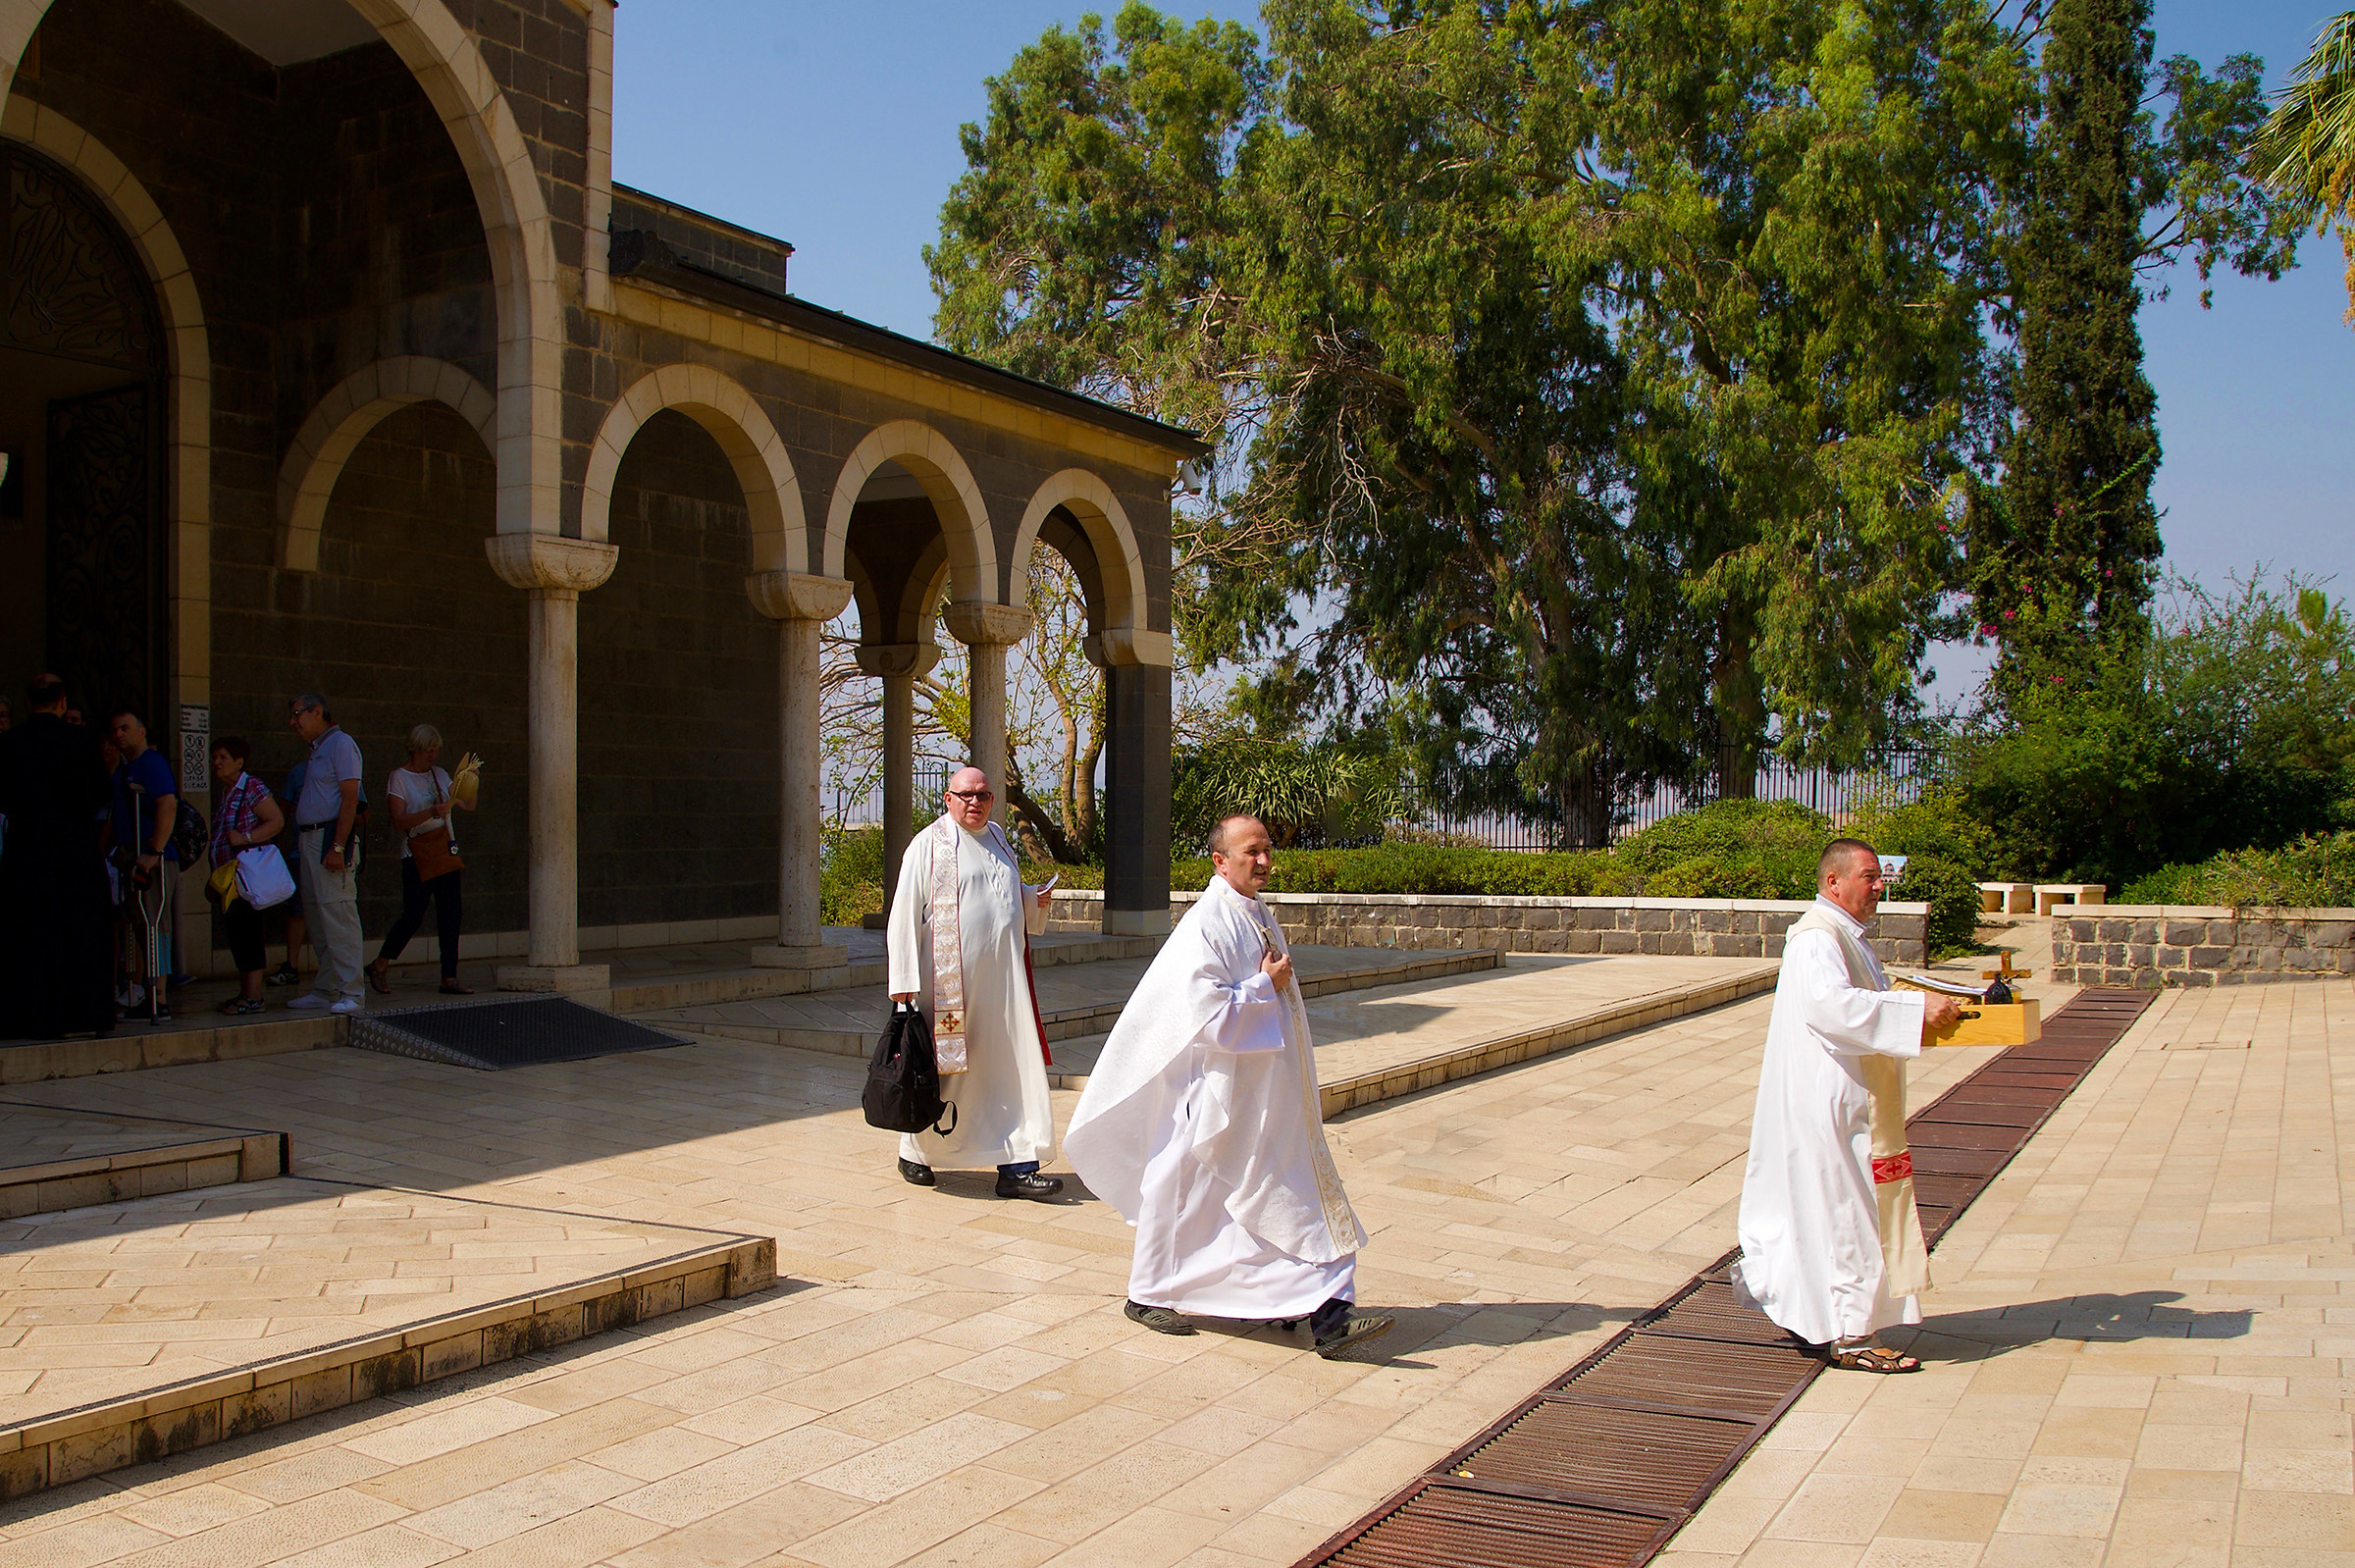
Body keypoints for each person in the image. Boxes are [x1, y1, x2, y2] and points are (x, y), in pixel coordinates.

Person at [1066, 813, 1394, 1360]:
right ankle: (1154, 1293)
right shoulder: (1205, 923)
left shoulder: (1256, 911)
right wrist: (1265, 985)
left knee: (1257, 1197)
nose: (1264, 860)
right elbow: (1205, 1012)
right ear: (1220, 860)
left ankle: (1313, 1306)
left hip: (1266, 1092)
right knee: (1199, 1189)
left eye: (1267, 850)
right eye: (1251, 852)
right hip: (1222, 1092)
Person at [1730, 838, 1962, 1373]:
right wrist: (1912, 1008)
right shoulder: (1817, 938)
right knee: (1847, 1216)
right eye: (1869, 876)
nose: (1879, 886)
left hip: (1841, 1096)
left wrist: (1911, 1002)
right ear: (1833, 882)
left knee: (1833, 1212)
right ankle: (1852, 1336)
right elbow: (1832, 1007)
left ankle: (1825, 1319)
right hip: (1828, 1102)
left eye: (1880, 877)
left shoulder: (1843, 937)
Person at [886, 765, 1062, 1199]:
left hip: (1004, 986)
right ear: (948, 799)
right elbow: (903, 916)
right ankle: (918, 1150)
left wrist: (1030, 896)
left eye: (983, 795)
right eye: (966, 795)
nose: (975, 802)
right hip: (949, 989)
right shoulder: (927, 846)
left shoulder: (1000, 838)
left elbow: (999, 891)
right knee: (946, 1074)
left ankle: (1017, 1165)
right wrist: (904, 981)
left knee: (1011, 1072)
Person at [0, 675, 115, 1038]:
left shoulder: (10, 742)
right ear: (62, 702)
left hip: (27, 848)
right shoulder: (81, 741)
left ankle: (30, 1016)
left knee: (29, 931)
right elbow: (100, 792)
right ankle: (82, 1015)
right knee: (79, 929)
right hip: (74, 848)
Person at [368, 724, 473, 995]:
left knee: (451, 914)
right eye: (429, 750)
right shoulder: (399, 778)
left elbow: (467, 803)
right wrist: (430, 812)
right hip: (417, 854)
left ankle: (449, 976)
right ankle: (380, 964)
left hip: (444, 851)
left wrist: (469, 781)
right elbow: (397, 820)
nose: (433, 756)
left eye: (436, 750)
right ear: (415, 748)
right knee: (413, 915)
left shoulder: (439, 775)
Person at [284, 694, 364, 1015]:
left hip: (329, 838)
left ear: (318, 712)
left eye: (297, 714)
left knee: (338, 915)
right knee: (318, 918)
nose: (293, 722)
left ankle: (353, 993)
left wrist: (338, 846)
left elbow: (350, 798)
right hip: (309, 839)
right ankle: (327, 987)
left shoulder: (341, 744)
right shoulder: (319, 749)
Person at [108, 709, 181, 1021]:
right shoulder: (123, 771)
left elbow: (167, 803)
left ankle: (159, 997)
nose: (119, 735)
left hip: (151, 859)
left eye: (125, 728)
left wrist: (154, 850)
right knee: (140, 926)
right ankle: (148, 993)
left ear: (141, 731)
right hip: (129, 855)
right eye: (115, 730)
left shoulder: (152, 764)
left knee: (155, 926)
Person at [205, 736, 284, 1016]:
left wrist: (245, 837)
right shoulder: (228, 792)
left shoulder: (251, 787)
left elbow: (275, 820)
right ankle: (245, 992)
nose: (216, 762)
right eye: (214, 757)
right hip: (229, 879)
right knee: (237, 933)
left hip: (246, 878)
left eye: (223, 757)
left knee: (248, 931)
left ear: (239, 761)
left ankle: (254, 996)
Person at [265, 755, 310, 988]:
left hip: (331, 855)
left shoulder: (344, 770)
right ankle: (291, 966)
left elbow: (362, 812)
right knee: (296, 910)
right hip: (298, 854)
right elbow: (281, 813)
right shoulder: (299, 772)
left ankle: (336, 970)